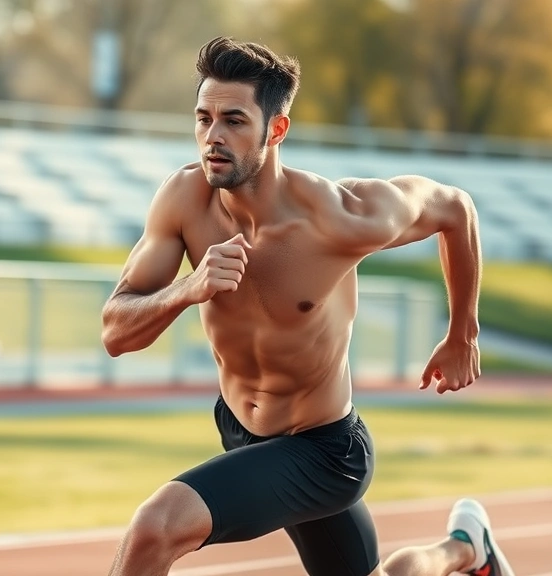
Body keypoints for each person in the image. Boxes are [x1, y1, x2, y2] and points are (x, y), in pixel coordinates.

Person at [99, 36, 513, 576]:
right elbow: (115, 332)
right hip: (241, 429)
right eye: (203, 119)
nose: (212, 138)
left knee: (156, 526)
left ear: (276, 129)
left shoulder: (339, 217)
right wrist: (187, 288)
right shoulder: (184, 201)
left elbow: (455, 208)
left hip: (324, 451)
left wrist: (464, 334)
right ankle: (466, 550)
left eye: (234, 121)